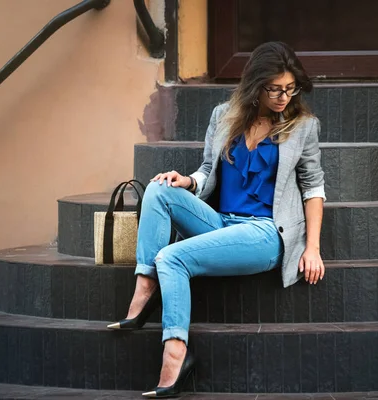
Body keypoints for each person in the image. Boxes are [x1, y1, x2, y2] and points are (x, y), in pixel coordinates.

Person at [107, 41, 326, 399]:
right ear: (256, 85)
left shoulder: (303, 127)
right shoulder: (224, 115)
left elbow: (313, 188)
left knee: (172, 257)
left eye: (290, 88)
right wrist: (188, 181)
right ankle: (145, 285)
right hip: (220, 221)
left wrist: (313, 248)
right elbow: (208, 170)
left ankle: (176, 352)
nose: (284, 96)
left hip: (264, 233)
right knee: (160, 189)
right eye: (274, 89)